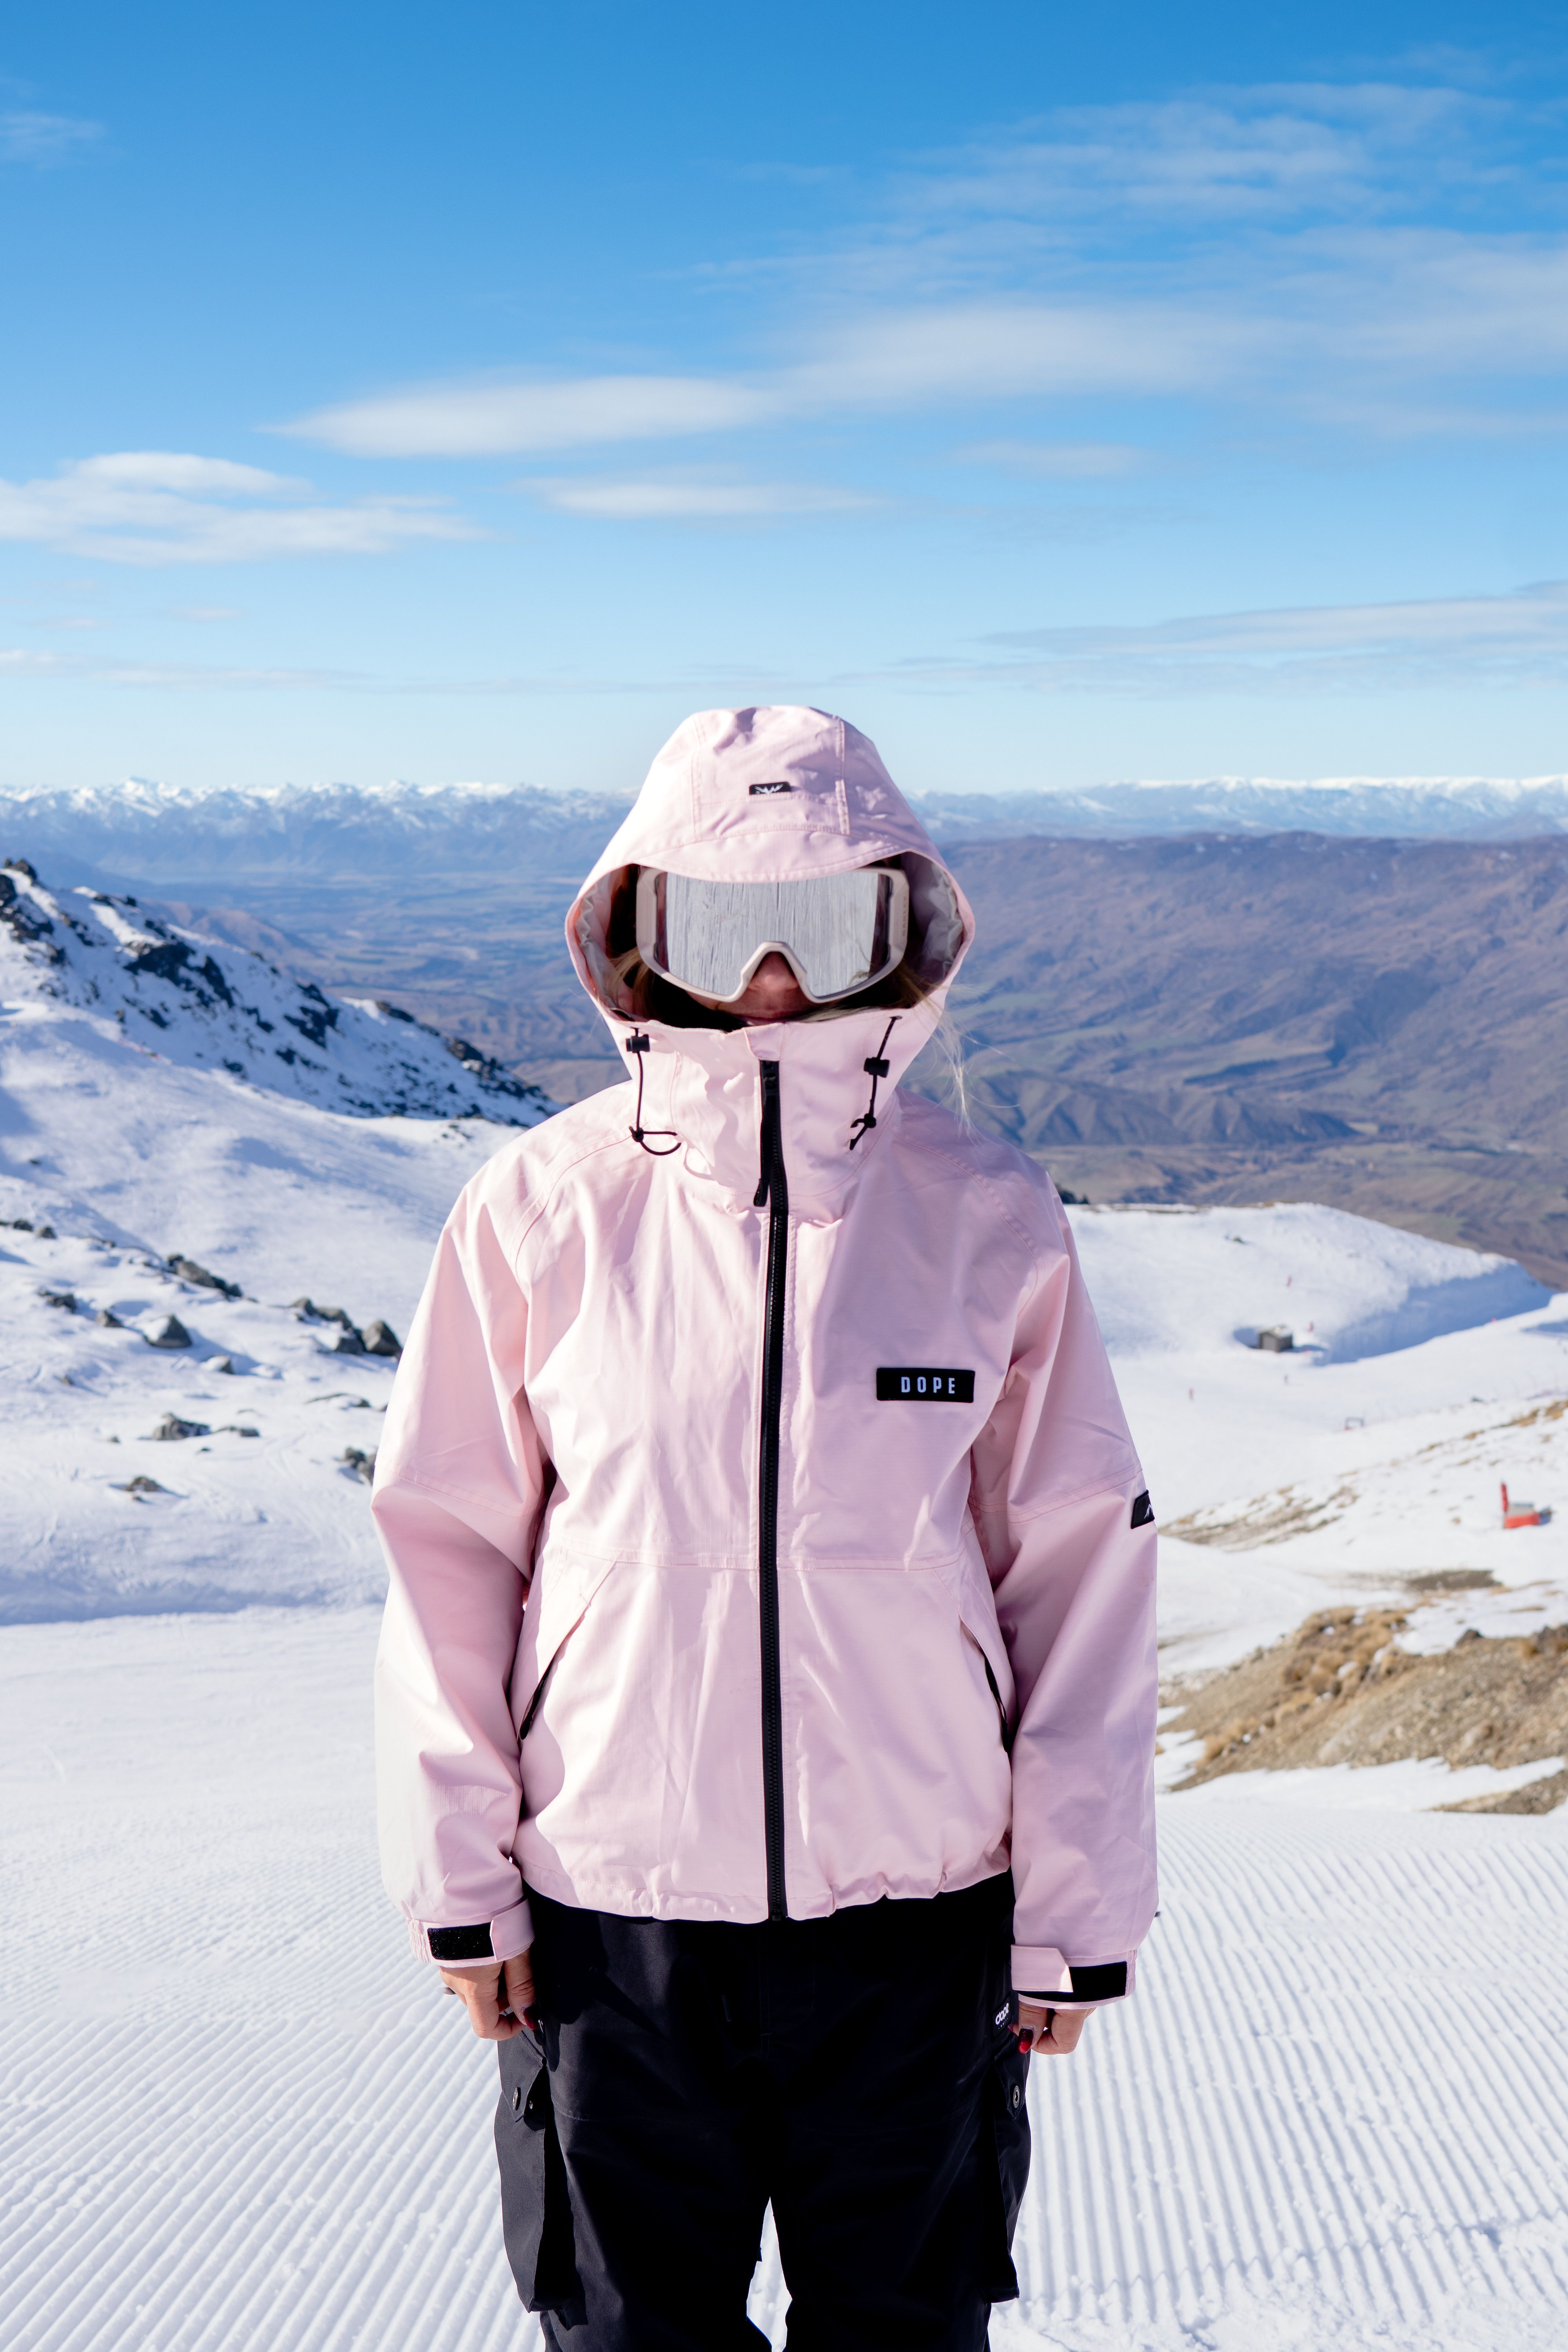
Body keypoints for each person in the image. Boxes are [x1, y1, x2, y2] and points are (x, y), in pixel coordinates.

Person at [372, 706, 1158, 2350]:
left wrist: (1073, 1909)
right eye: (726, 927)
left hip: (917, 1924)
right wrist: (461, 1879)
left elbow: (1078, 1563)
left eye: (827, 925)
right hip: (613, 1923)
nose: (777, 980)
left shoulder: (986, 1210)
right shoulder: (540, 1207)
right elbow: (449, 1553)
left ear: (906, 935)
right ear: (639, 937)